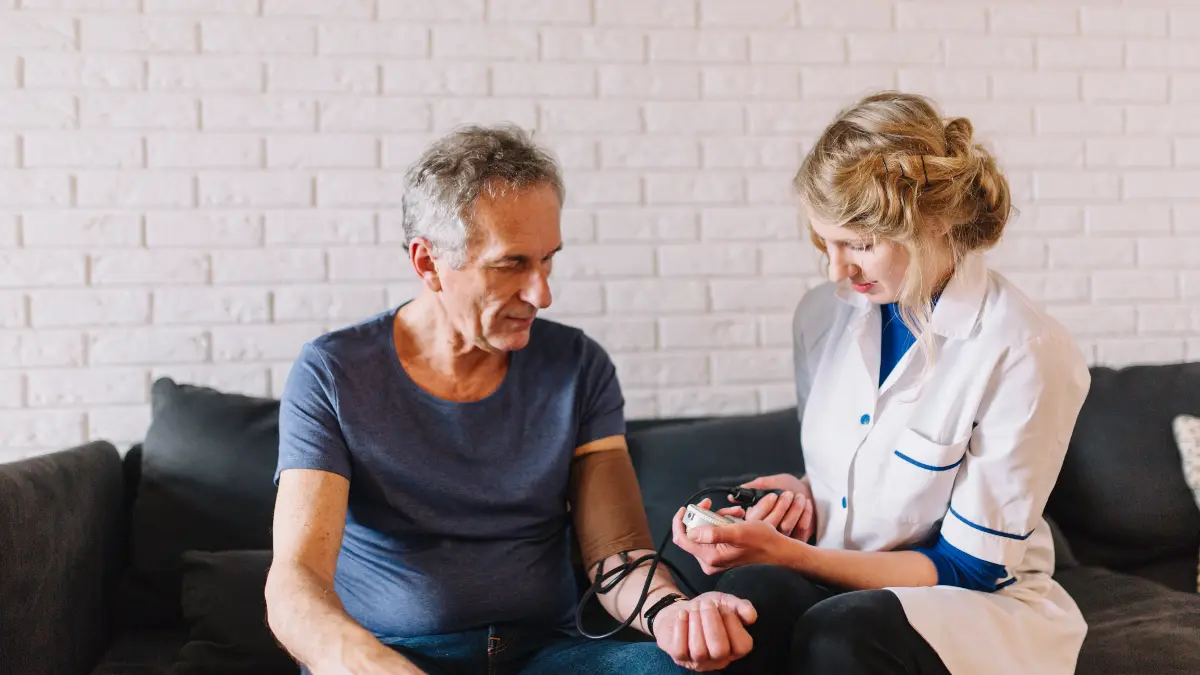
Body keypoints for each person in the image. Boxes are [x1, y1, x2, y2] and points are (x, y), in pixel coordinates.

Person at [263, 124, 759, 675]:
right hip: (393, 655)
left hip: (545, 653)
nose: (541, 292)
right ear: (428, 262)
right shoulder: (333, 372)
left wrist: (674, 616)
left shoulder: (577, 365)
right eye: (511, 264)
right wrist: (370, 665)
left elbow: (617, 554)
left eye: (548, 259)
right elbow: (298, 578)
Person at [671, 91, 1091, 675]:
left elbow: (969, 567)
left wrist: (793, 556)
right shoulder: (824, 314)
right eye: (826, 242)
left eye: (859, 246)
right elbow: (857, 480)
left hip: (970, 604)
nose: (835, 270)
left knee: (839, 635)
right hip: (843, 571)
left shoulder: (1025, 351)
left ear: (936, 222)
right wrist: (798, 498)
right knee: (741, 610)